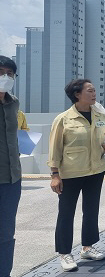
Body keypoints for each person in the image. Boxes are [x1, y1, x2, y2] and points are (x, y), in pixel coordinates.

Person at [47, 79, 105, 271]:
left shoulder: (101, 115)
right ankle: (65, 253)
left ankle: (87, 247)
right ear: (77, 94)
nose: (94, 94)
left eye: (94, 91)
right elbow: (55, 149)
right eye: (90, 91)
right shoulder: (63, 119)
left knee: (91, 210)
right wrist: (54, 174)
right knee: (66, 213)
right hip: (70, 173)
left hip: (96, 171)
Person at [0, 56, 21, 277]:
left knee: (6, 233)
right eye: (1, 72)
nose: (5, 77)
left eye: (10, 73)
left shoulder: (14, 102)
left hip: (11, 179)